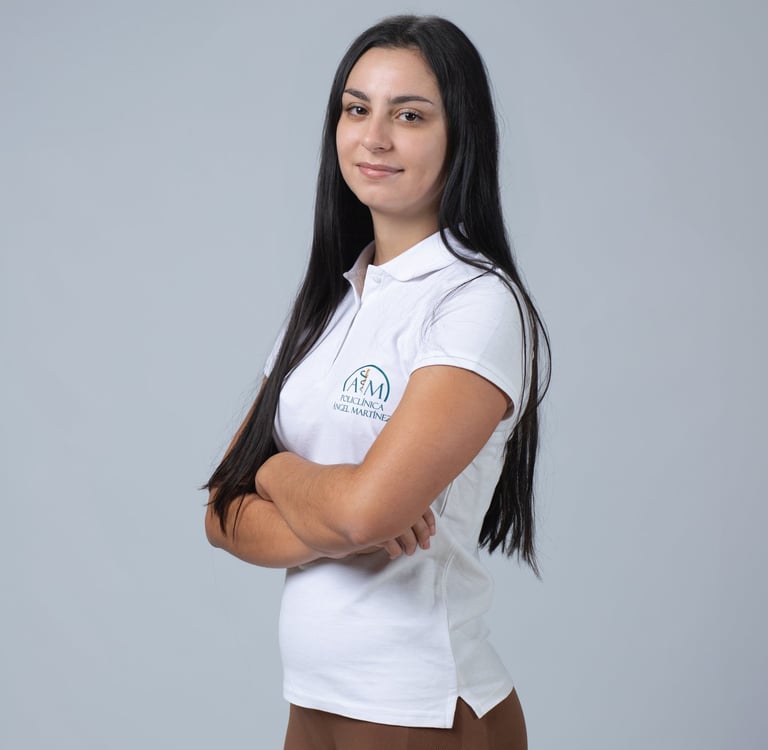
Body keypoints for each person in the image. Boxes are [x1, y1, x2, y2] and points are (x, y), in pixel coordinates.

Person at [205, 14, 550, 750]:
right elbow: (222, 512)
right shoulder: (329, 302)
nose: (375, 137)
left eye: (410, 115)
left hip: (420, 708)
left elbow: (364, 516)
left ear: (462, 136)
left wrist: (275, 473)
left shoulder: (477, 303)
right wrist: (330, 513)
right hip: (311, 705)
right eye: (357, 109)